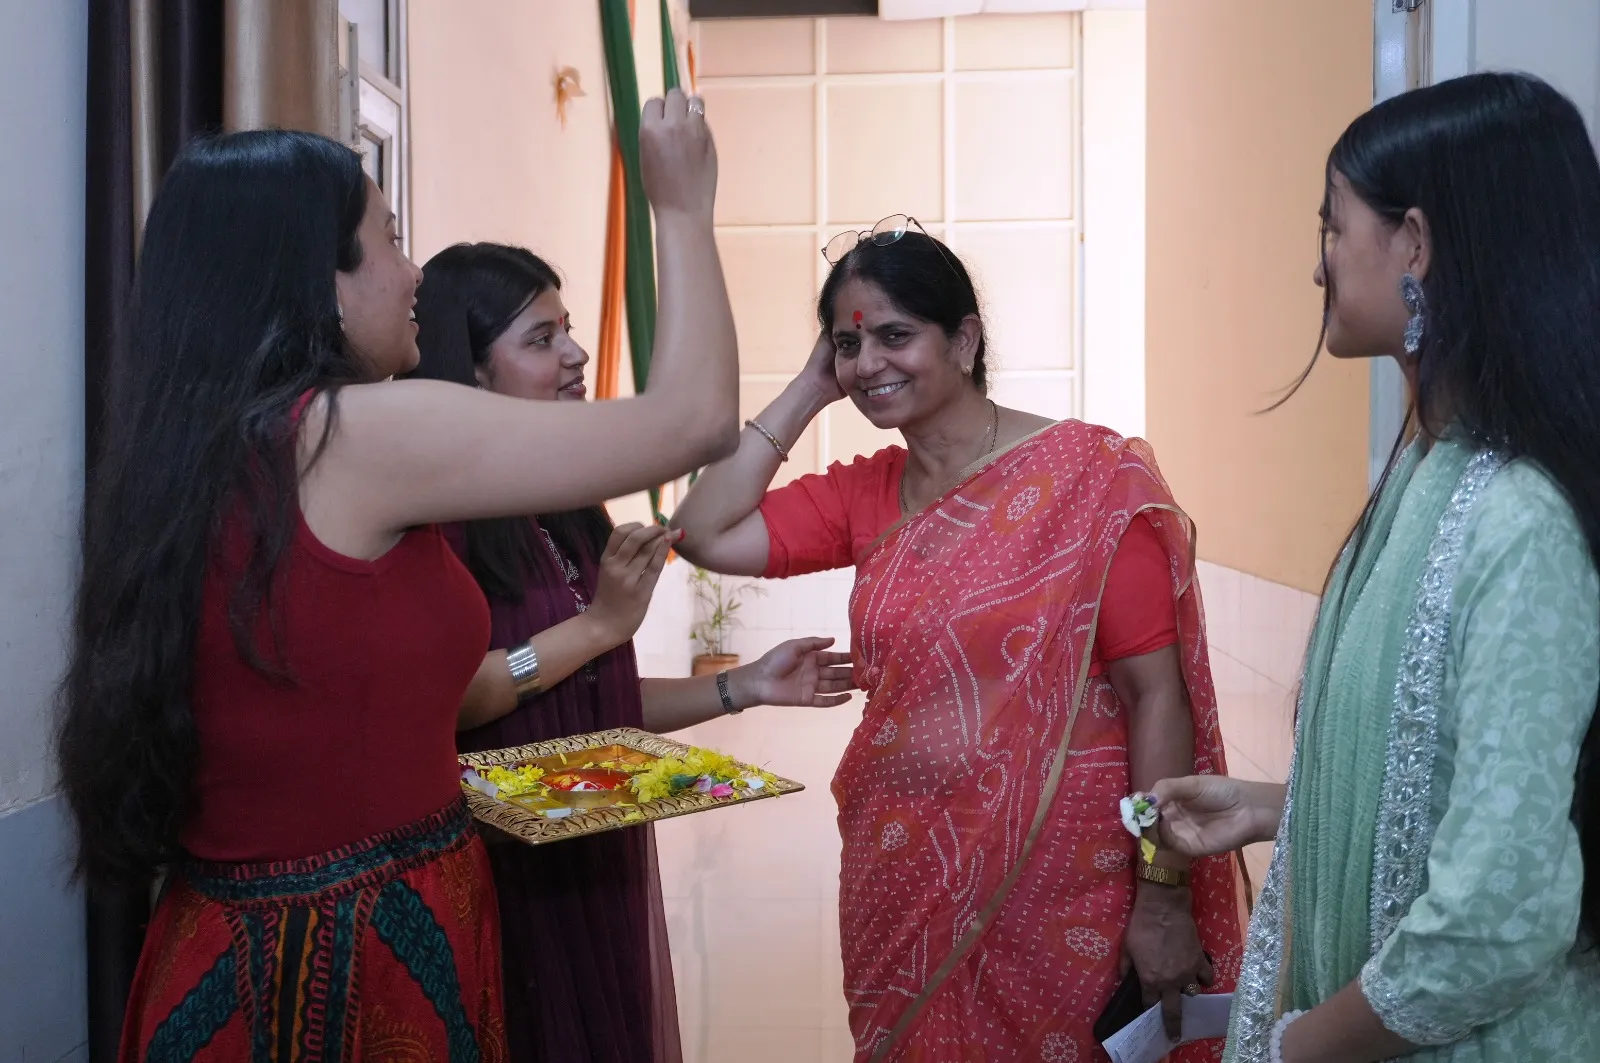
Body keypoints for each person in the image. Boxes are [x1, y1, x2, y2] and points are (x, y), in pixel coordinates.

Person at [57, 89, 736, 1061]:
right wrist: (680, 205)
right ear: (319, 279)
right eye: (390, 240)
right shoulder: (351, 434)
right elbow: (694, 421)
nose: (416, 272)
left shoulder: (190, 451)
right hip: (356, 958)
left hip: (232, 937)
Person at [669, 216, 1245, 1061]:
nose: (869, 364)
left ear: (965, 339)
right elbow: (702, 531)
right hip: (900, 873)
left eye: (895, 335)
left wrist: (1163, 894)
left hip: (1063, 882)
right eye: (848, 346)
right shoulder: (868, 492)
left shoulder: (1088, 478)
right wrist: (809, 387)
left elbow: (1155, 695)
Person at [1149, 73, 1600, 1063]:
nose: (1317, 266)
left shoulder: (1518, 519)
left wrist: (1296, 1046)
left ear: (1415, 245)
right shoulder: (1428, 475)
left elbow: (1497, 914)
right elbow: (1448, 794)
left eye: (1333, 227)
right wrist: (1275, 808)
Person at [405, 241, 857, 1063]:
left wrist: (744, 687)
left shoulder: (568, 501)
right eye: (542, 338)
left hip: (590, 849)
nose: (576, 353)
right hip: (505, 870)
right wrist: (600, 624)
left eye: (568, 328)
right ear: (468, 369)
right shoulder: (433, 519)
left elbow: (599, 701)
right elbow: (453, 698)